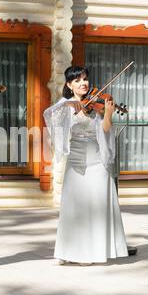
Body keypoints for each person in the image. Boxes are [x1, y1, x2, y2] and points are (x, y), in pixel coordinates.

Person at [43, 65, 128, 265]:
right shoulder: (66, 104)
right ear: (69, 85)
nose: (83, 83)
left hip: (97, 162)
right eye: (78, 80)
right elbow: (49, 114)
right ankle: (66, 251)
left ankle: (89, 253)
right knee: (73, 207)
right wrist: (68, 106)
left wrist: (108, 113)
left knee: (94, 207)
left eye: (85, 79)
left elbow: (106, 130)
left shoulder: (98, 102)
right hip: (76, 160)